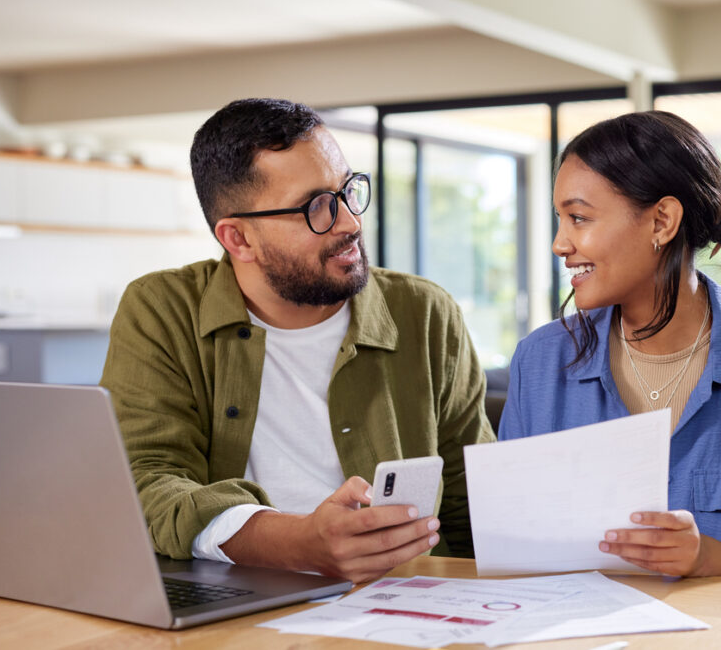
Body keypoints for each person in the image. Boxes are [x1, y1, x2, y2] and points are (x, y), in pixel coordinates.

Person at [100, 98, 495, 584]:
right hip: (236, 599)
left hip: (407, 596)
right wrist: (299, 543)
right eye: (317, 208)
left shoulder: (425, 312)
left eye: (348, 191)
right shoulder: (162, 309)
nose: (350, 222)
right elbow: (147, 481)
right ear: (238, 239)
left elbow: (473, 495)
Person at [498, 111, 721, 650]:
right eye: (559, 220)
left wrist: (705, 558)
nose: (560, 244)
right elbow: (511, 557)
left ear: (661, 221)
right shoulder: (539, 363)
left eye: (579, 218)